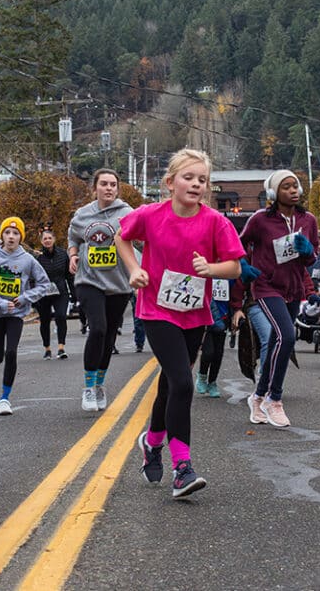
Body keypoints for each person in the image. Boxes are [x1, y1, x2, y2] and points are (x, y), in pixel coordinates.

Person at [119, 148, 244, 499]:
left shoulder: (215, 222)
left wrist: (211, 269)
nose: (196, 184)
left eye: (202, 180)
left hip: (194, 313)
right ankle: (183, 468)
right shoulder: (150, 215)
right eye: (188, 177)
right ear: (170, 182)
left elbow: (234, 267)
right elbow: (122, 238)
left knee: (169, 384)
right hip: (157, 311)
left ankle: (152, 440)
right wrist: (135, 269)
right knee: (182, 383)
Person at [238, 170, 318, 428]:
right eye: (286, 187)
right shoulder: (260, 220)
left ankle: (258, 396)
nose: (293, 191)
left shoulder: (308, 220)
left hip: (292, 288)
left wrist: (308, 254)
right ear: (273, 193)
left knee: (275, 340)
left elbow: (313, 257)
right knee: (287, 335)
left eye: (295, 186)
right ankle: (275, 399)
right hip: (265, 285)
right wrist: (242, 265)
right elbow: (239, 245)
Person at [67, 169, 133, 412]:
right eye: (104, 184)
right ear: (94, 187)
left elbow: (141, 237)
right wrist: (73, 255)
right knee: (98, 329)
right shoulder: (82, 214)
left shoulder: (127, 214)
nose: (108, 188)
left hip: (118, 283)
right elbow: (73, 236)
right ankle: (87, 386)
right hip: (89, 280)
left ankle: (99, 385)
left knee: (109, 336)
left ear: (117, 189)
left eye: (113, 184)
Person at [0, 217, 50, 415]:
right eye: (7, 233)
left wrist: (25, 297)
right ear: (2, 235)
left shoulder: (28, 260)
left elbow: (44, 284)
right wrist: (2, 303)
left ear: (21, 237)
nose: (11, 237)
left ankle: (4, 398)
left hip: (16, 314)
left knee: (11, 352)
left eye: (15, 233)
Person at [34, 228, 72, 361]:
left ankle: (61, 348)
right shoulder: (38, 258)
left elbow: (69, 275)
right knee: (44, 320)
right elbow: (33, 278)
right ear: (41, 241)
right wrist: (33, 298)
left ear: (54, 239)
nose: (47, 240)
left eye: (50, 238)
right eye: (45, 238)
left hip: (61, 292)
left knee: (61, 316)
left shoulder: (62, 255)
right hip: (43, 293)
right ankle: (47, 349)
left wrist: (74, 294)